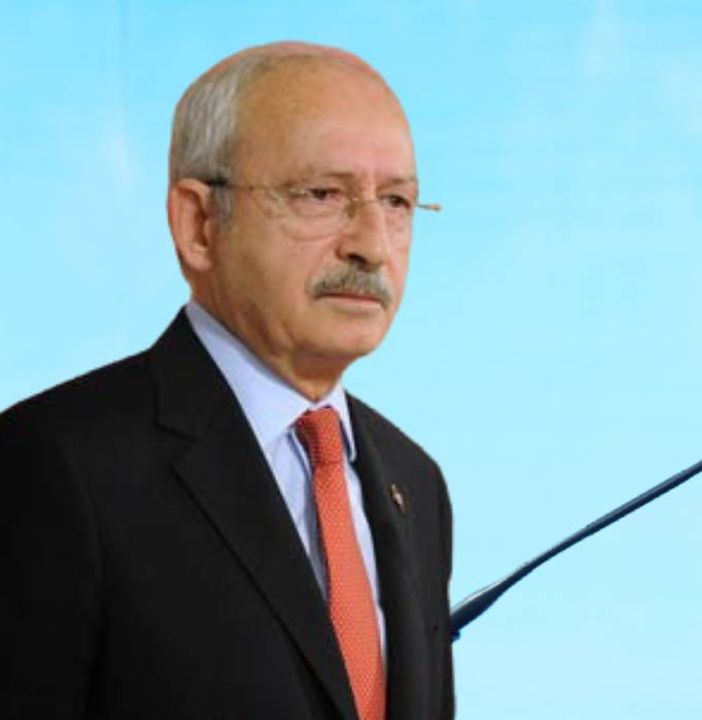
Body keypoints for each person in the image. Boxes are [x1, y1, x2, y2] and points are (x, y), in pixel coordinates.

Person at [1, 42, 454, 719]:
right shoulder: (56, 465)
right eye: (322, 195)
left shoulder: (414, 482)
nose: (372, 244)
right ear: (199, 224)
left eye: (395, 202)